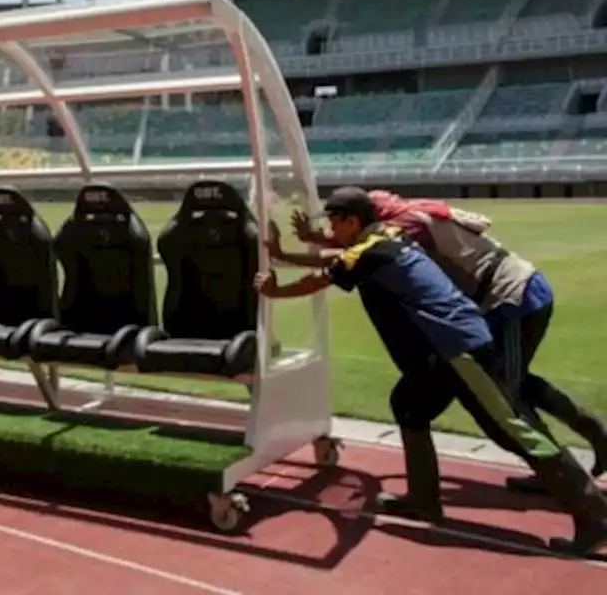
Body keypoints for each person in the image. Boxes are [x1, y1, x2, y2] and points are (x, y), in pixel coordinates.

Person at [256, 187, 606, 555]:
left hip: (462, 344)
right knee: (410, 404)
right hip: (446, 349)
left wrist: (275, 291)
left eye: (333, 221)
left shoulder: (370, 248)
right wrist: (283, 252)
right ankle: (423, 499)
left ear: (352, 221)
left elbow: (326, 275)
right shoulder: (388, 237)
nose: (330, 228)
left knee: (516, 428)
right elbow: (342, 260)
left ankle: (595, 518)